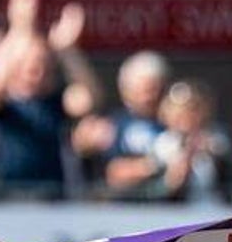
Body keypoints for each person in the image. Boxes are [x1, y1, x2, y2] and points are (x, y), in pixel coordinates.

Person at [0, 0, 101, 201]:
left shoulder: (55, 100)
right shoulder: (5, 103)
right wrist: (19, 29)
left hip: (52, 196)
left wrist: (67, 51)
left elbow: (89, 98)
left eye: (42, 63)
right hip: (7, 196)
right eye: (29, 63)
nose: (36, 70)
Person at [72, 50, 169, 200]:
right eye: (146, 89)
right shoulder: (112, 126)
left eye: (157, 89)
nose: (151, 96)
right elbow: (114, 172)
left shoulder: (176, 124)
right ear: (126, 90)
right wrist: (154, 165)